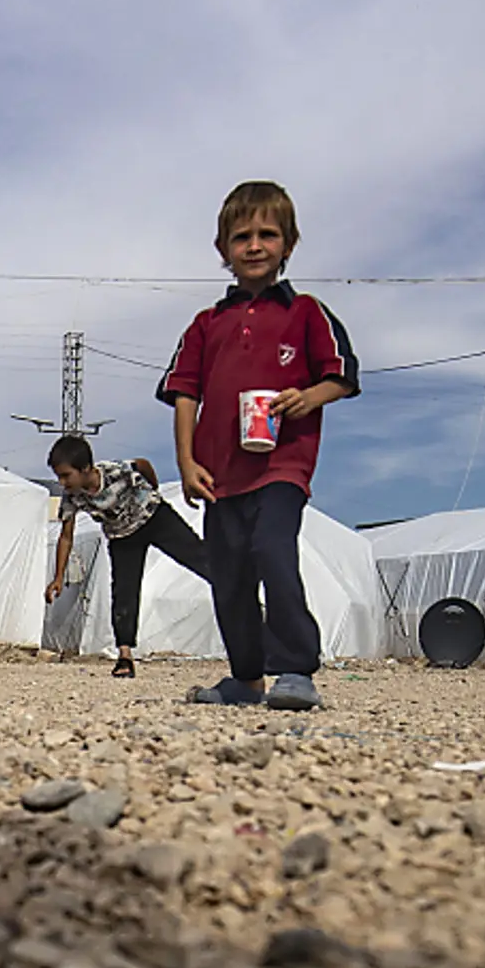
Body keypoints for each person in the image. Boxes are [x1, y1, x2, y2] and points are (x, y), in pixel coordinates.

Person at [160, 180, 359, 710]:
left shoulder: (307, 313)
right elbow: (184, 393)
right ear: (223, 248)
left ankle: (295, 669)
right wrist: (186, 460)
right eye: (242, 236)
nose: (254, 246)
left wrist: (306, 397)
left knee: (273, 553)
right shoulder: (206, 324)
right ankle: (246, 680)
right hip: (219, 474)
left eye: (267, 234)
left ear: (288, 244)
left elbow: (342, 375)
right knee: (228, 575)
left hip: (282, 466)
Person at [44, 434, 210, 679]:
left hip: (153, 517)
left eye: (66, 475)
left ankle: (243, 600)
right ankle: (125, 656)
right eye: (58, 476)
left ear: (86, 468)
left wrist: (153, 490)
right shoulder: (72, 498)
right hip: (122, 537)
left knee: (199, 558)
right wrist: (58, 577)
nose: (62, 482)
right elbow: (66, 537)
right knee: (124, 592)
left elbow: (143, 465)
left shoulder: (115, 472)